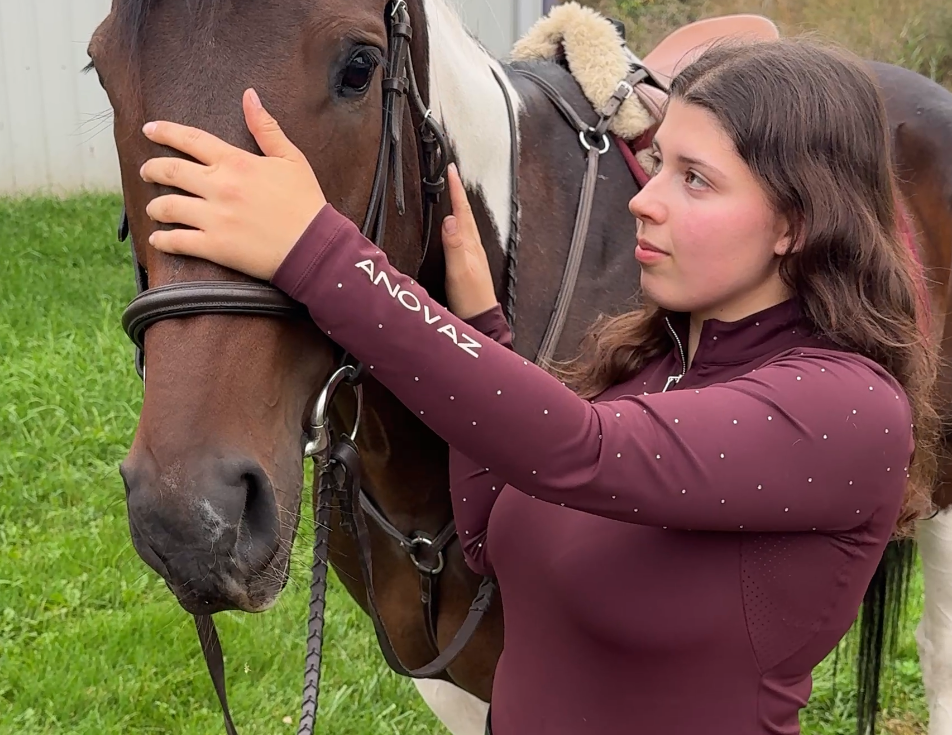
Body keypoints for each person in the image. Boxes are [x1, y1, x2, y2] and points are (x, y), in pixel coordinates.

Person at [138, 38, 936, 735]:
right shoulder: (654, 374)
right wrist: (480, 324)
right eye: (657, 164)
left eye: (695, 180)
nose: (644, 202)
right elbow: (488, 531)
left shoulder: (847, 412)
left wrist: (318, 255)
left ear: (796, 221)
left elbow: (576, 452)